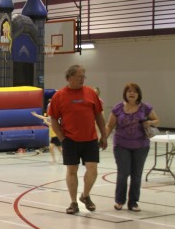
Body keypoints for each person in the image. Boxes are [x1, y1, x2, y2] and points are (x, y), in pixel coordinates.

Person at [48, 65, 107, 215]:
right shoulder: (59, 96)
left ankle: (85, 196)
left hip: (90, 139)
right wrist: (62, 138)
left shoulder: (90, 93)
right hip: (71, 140)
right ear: (70, 77)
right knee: (71, 171)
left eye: (84, 76)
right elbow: (54, 119)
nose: (82, 79)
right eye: (79, 76)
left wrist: (104, 135)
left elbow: (99, 116)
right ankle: (73, 202)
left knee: (92, 170)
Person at [106, 83, 159, 212]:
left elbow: (157, 120)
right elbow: (110, 125)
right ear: (125, 93)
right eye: (129, 91)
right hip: (121, 145)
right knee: (123, 173)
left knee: (136, 175)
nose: (131, 93)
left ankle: (133, 202)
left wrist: (150, 122)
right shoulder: (118, 108)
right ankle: (119, 201)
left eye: (134, 91)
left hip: (141, 146)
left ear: (138, 94)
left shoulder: (145, 107)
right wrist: (103, 139)